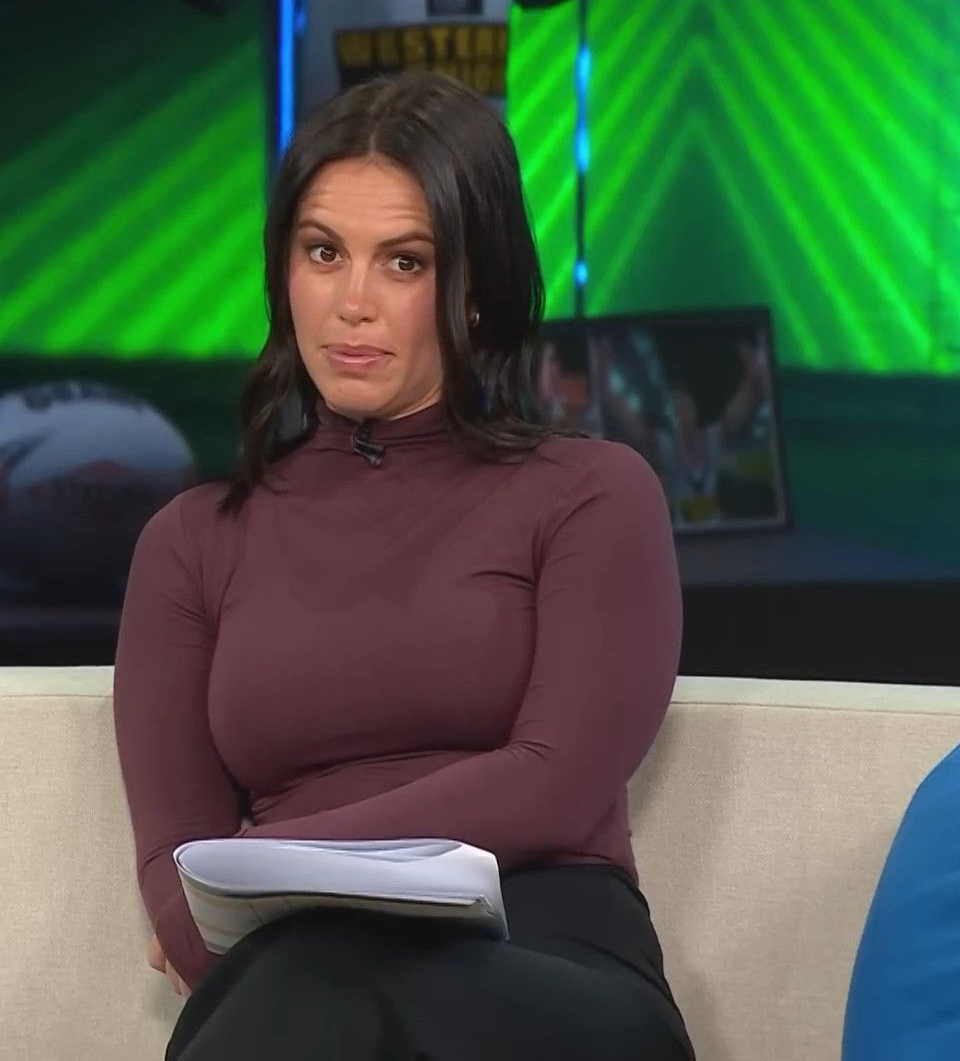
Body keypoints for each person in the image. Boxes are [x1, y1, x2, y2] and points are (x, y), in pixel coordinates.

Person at [112, 71, 694, 1061]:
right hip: (292, 975)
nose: (353, 303)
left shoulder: (590, 495)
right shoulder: (191, 542)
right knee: (313, 981)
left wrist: (266, 863)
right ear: (283, 273)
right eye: (323, 252)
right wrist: (268, 888)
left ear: (475, 290)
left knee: (319, 982)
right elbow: (181, 893)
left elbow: (553, 785)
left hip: (547, 959)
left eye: (405, 262)